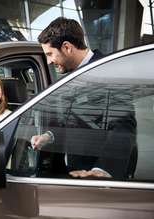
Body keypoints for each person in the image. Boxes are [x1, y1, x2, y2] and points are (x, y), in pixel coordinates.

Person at [31, 17, 128, 179]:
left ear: (67, 47)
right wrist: (49, 136)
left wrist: (101, 170)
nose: (48, 62)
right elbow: (73, 119)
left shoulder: (110, 72)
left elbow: (124, 126)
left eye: (49, 54)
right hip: (73, 172)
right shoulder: (72, 74)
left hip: (94, 178)